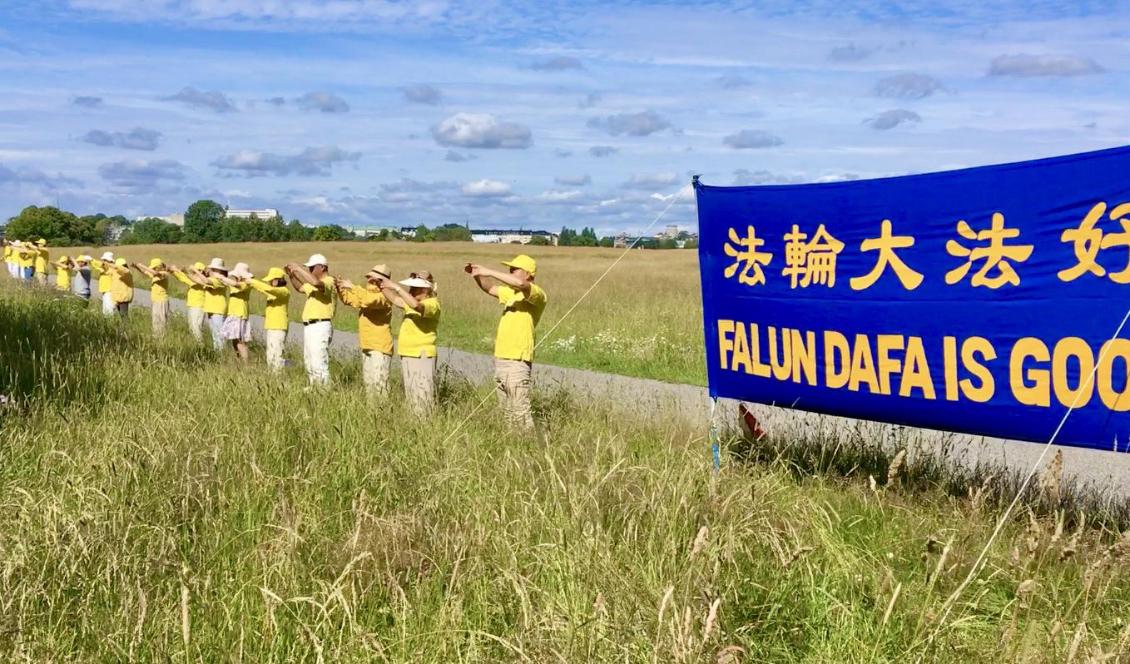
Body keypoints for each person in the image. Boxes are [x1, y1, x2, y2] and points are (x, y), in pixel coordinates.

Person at [467, 254, 548, 432]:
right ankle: (514, 444)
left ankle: (529, 446)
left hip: (517, 360)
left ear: (528, 274)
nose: (510, 272)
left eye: (514, 269)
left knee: (520, 412)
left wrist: (488, 270)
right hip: (502, 358)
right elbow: (490, 289)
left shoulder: (536, 293)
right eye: (509, 269)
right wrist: (478, 275)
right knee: (507, 412)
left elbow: (521, 284)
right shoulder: (511, 293)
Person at [380, 270, 440, 414]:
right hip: (408, 353)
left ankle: (425, 426)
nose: (411, 290)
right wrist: (382, 285)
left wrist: (397, 288)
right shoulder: (412, 301)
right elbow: (395, 300)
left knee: (422, 397)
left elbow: (417, 307)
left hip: (421, 355)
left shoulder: (432, 303)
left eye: (415, 288)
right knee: (412, 396)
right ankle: (415, 423)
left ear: (425, 289)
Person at [335, 264, 395, 397]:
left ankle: (383, 414)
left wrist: (352, 287)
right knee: (369, 386)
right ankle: (373, 413)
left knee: (380, 386)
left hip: (380, 347)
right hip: (367, 345)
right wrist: (340, 288)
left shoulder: (385, 297)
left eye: (373, 279)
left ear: (382, 282)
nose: (369, 281)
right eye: (369, 278)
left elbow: (369, 301)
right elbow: (350, 300)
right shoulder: (365, 294)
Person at [284, 254, 335, 387]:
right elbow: (300, 287)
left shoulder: (329, 281)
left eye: (312, 268)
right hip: (310, 326)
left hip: (321, 324)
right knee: (310, 361)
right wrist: (291, 275)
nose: (310, 271)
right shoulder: (313, 284)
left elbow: (316, 283)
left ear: (322, 267)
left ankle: (323, 390)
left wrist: (299, 269)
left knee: (319, 361)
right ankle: (314, 387)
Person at [249, 267, 290, 373]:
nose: (271, 282)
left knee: (277, 355)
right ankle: (273, 374)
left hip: (279, 327)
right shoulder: (273, 292)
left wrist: (252, 281)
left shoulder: (284, 291)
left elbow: (269, 290)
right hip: (271, 326)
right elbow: (264, 289)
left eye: (272, 280)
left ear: (278, 280)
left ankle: (279, 375)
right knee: (270, 355)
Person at [186, 258, 229, 351]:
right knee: (215, 335)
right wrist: (189, 272)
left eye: (214, 269)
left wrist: (196, 270)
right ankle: (217, 354)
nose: (211, 271)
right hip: (211, 309)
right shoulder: (212, 278)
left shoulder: (220, 280)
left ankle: (221, 354)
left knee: (219, 335)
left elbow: (206, 281)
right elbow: (197, 280)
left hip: (218, 310)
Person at [214, 262, 253, 363]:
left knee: (241, 342)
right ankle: (239, 360)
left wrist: (220, 277)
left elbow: (235, 284)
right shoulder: (235, 284)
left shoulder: (246, 284)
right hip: (232, 314)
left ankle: (246, 364)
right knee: (234, 341)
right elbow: (229, 283)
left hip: (240, 314)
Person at [170, 261, 207, 342]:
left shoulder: (200, 281)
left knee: (196, 329)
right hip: (193, 306)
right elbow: (184, 278)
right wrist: (173, 272)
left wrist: (176, 270)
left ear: (201, 271)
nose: (193, 273)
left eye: (195, 271)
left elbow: (186, 279)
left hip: (198, 307)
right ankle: (197, 346)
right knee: (193, 328)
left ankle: (200, 347)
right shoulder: (195, 279)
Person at [133, 258, 170, 336]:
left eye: (154, 267)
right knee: (156, 322)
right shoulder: (154, 274)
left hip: (161, 301)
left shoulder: (164, 273)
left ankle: (161, 339)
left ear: (159, 267)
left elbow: (156, 273)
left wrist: (143, 265)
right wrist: (137, 267)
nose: (152, 269)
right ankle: (157, 338)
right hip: (156, 301)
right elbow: (145, 272)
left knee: (161, 323)